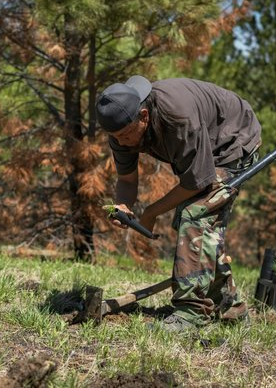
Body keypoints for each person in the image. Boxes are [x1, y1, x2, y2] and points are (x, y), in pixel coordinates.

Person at [96, 76, 262, 331]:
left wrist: (151, 212)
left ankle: (191, 314)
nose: (122, 143)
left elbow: (198, 183)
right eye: (116, 137)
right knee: (198, 222)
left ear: (143, 116)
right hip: (206, 142)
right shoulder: (120, 127)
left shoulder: (177, 117)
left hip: (233, 137)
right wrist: (123, 206)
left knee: (195, 213)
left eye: (126, 136)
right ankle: (231, 309)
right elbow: (126, 179)